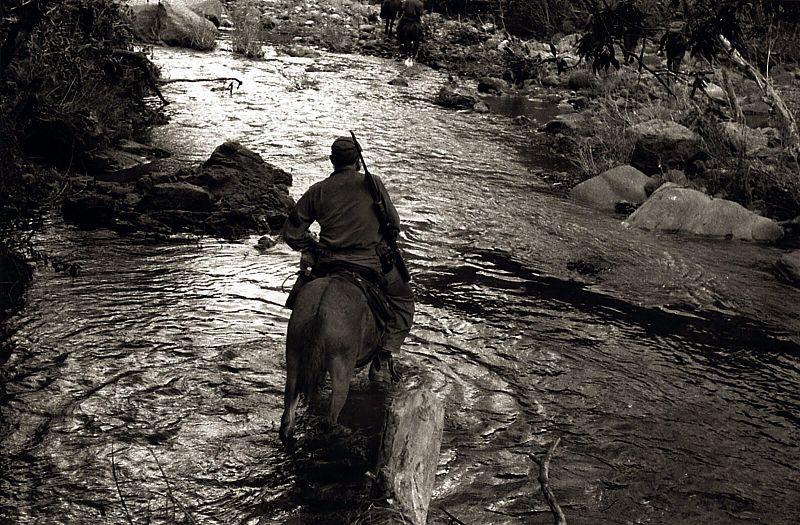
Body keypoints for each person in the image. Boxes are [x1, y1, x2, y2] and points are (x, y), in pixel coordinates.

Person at [282, 136, 415, 383]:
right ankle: (383, 357)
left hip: (327, 262)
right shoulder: (373, 184)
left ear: (332, 160)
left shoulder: (318, 190)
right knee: (404, 300)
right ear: (358, 161)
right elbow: (394, 225)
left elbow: (291, 233)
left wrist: (314, 247)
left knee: (302, 292)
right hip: (369, 263)